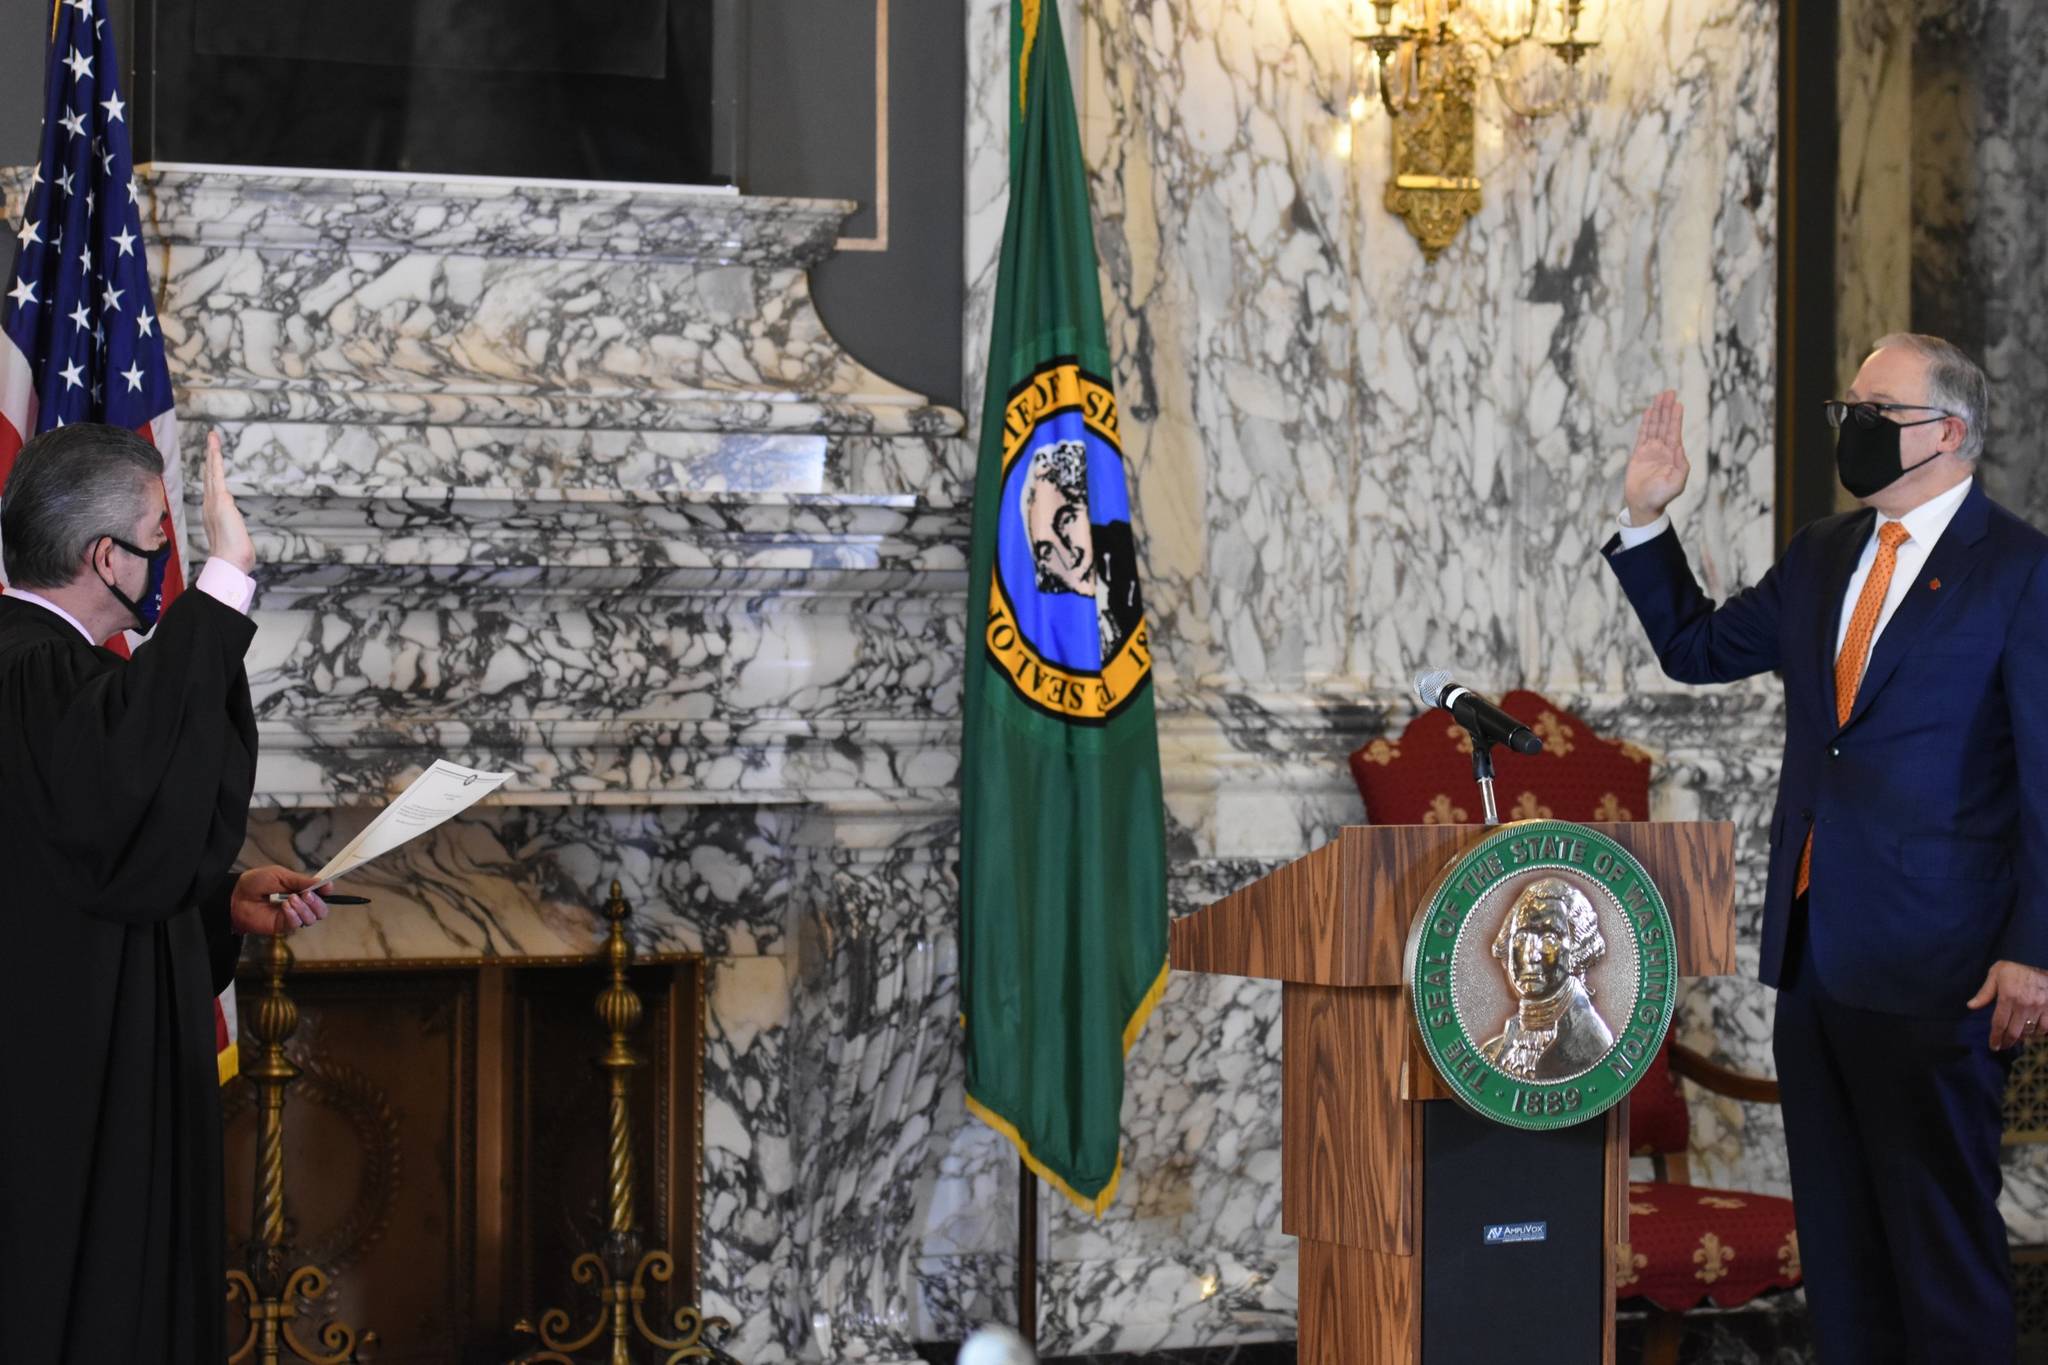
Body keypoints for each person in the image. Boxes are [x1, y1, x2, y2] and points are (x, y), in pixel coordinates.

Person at [1603, 333, 2048, 1362]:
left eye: (1875, 412)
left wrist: (2032, 949)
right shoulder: (1822, 552)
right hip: (1816, 960)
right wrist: (1646, 517)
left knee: (1940, 1256)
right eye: (1846, 408)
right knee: (1842, 1255)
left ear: (1947, 432)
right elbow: (1695, 648)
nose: (1851, 428)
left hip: (1945, 970)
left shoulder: (2021, 572)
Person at [0, 424, 333, 1364]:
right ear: (106, 558)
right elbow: (119, 791)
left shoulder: (47, 682)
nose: (164, 560)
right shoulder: (35, 675)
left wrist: (221, 903)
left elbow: (83, 867)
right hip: (63, 1129)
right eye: (158, 536)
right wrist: (227, 576)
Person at [1480, 877, 1616, 1081]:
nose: (1530, 955)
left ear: (1577, 949)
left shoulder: (1595, 1049)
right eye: (1521, 938)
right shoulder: (1492, 1052)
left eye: (1548, 939)